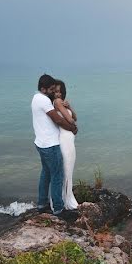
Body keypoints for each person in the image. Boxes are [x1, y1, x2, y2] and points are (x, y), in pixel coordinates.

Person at [31, 74, 78, 220]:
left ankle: (42, 204)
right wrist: (72, 128)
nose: (54, 92)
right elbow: (57, 119)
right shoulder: (44, 100)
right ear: (43, 89)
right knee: (57, 175)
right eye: (51, 89)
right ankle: (58, 209)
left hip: (41, 143)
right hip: (50, 144)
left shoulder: (36, 98)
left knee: (46, 174)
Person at [53, 80, 79, 210]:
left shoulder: (62, 103)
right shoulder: (57, 102)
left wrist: (69, 107)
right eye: (55, 91)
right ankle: (66, 201)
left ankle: (65, 197)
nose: (57, 94)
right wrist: (73, 126)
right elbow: (70, 120)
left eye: (59, 91)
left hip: (69, 139)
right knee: (66, 170)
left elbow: (75, 116)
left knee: (68, 171)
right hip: (64, 139)